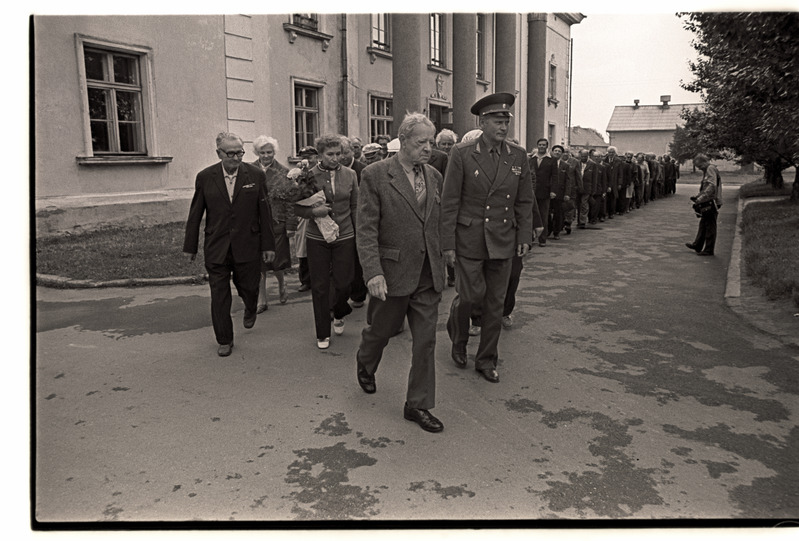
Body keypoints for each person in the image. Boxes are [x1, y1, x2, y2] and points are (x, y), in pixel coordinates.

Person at [355, 113, 445, 433]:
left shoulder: (434, 175)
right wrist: (373, 272)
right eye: (421, 142)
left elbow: (435, 223)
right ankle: (366, 363)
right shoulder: (375, 175)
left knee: (425, 342)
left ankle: (417, 405)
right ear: (402, 141)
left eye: (430, 142)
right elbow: (365, 230)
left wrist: (447, 257)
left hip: (427, 274)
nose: (427, 148)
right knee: (379, 332)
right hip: (391, 273)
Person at [442, 92, 534, 383]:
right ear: (483, 123)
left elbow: (523, 201)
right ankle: (458, 340)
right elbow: (450, 201)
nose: (503, 127)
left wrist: (524, 235)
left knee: (495, 302)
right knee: (469, 297)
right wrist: (447, 244)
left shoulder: (518, 156)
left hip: (503, 239)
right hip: (470, 238)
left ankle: (486, 359)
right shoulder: (462, 153)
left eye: (506, 121)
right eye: (497, 121)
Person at [183, 132, 276, 357]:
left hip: (248, 244)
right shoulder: (205, 177)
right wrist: (190, 246)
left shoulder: (255, 175)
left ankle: (251, 306)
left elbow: (265, 212)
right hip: (217, 246)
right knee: (219, 295)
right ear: (219, 153)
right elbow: (196, 213)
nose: (236, 158)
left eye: (240, 153)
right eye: (231, 153)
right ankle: (224, 339)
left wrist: (269, 245)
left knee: (249, 287)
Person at [293, 134, 359, 349]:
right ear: (320, 154)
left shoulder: (350, 175)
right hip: (317, 236)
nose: (335, 158)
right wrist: (314, 211)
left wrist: (359, 232)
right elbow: (296, 207)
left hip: (345, 234)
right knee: (320, 286)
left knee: (344, 282)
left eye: (339, 153)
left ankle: (340, 311)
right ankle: (322, 332)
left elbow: (356, 206)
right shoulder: (308, 175)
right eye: (330, 154)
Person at [251, 135, 295, 312]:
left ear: (274, 152)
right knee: (258, 262)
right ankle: (262, 299)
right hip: (255, 222)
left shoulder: (284, 172)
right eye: (262, 152)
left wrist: (291, 225)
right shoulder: (249, 170)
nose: (266, 156)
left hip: (277, 221)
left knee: (276, 261)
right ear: (257, 153)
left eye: (269, 152)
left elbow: (291, 200)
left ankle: (282, 284)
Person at [293, 146, 319, 293]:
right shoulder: (297, 173)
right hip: (303, 212)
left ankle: (318, 278)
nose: (307, 159)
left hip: (319, 210)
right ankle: (305, 280)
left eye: (310, 156)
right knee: (302, 247)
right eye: (304, 156)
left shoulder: (319, 172)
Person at [686, 153, 722, 256]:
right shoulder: (710, 169)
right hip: (708, 200)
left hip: (711, 201)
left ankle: (709, 249)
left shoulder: (710, 169)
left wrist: (701, 198)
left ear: (705, 162)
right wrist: (698, 196)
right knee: (703, 224)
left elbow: (711, 186)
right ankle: (698, 244)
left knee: (710, 226)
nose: (699, 169)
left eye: (700, 166)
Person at [530, 138, 556, 246]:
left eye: (543, 145)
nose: (541, 147)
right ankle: (530, 238)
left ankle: (542, 239)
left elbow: (555, 176)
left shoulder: (551, 160)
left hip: (545, 192)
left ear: (547, 147)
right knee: (530, 215)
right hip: (532, 192)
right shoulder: (531, 159)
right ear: (537, 146)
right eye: (539, 145)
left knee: (543, 215)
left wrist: (553, 191)